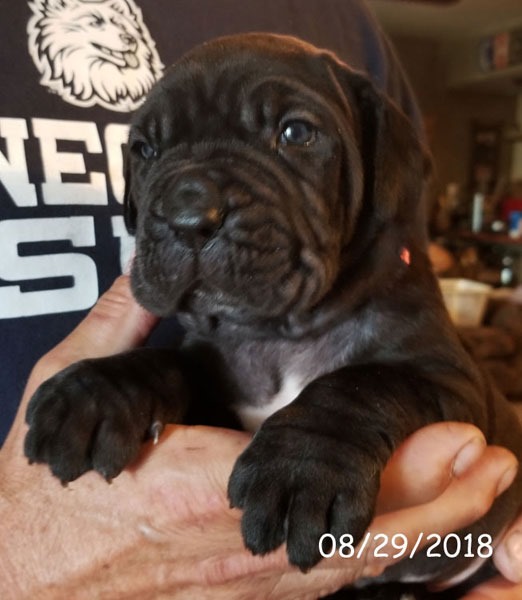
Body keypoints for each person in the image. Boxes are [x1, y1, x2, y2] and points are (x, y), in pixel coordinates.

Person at [1, 1, 521, 597]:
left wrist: (338, 430)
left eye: (294, 133)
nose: (191, 210)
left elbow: (446, 392)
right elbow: (203, 381)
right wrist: (127, 385)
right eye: (149, 150)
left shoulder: (348, 28)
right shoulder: (212, 336)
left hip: (464, 564)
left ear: (381, 171)